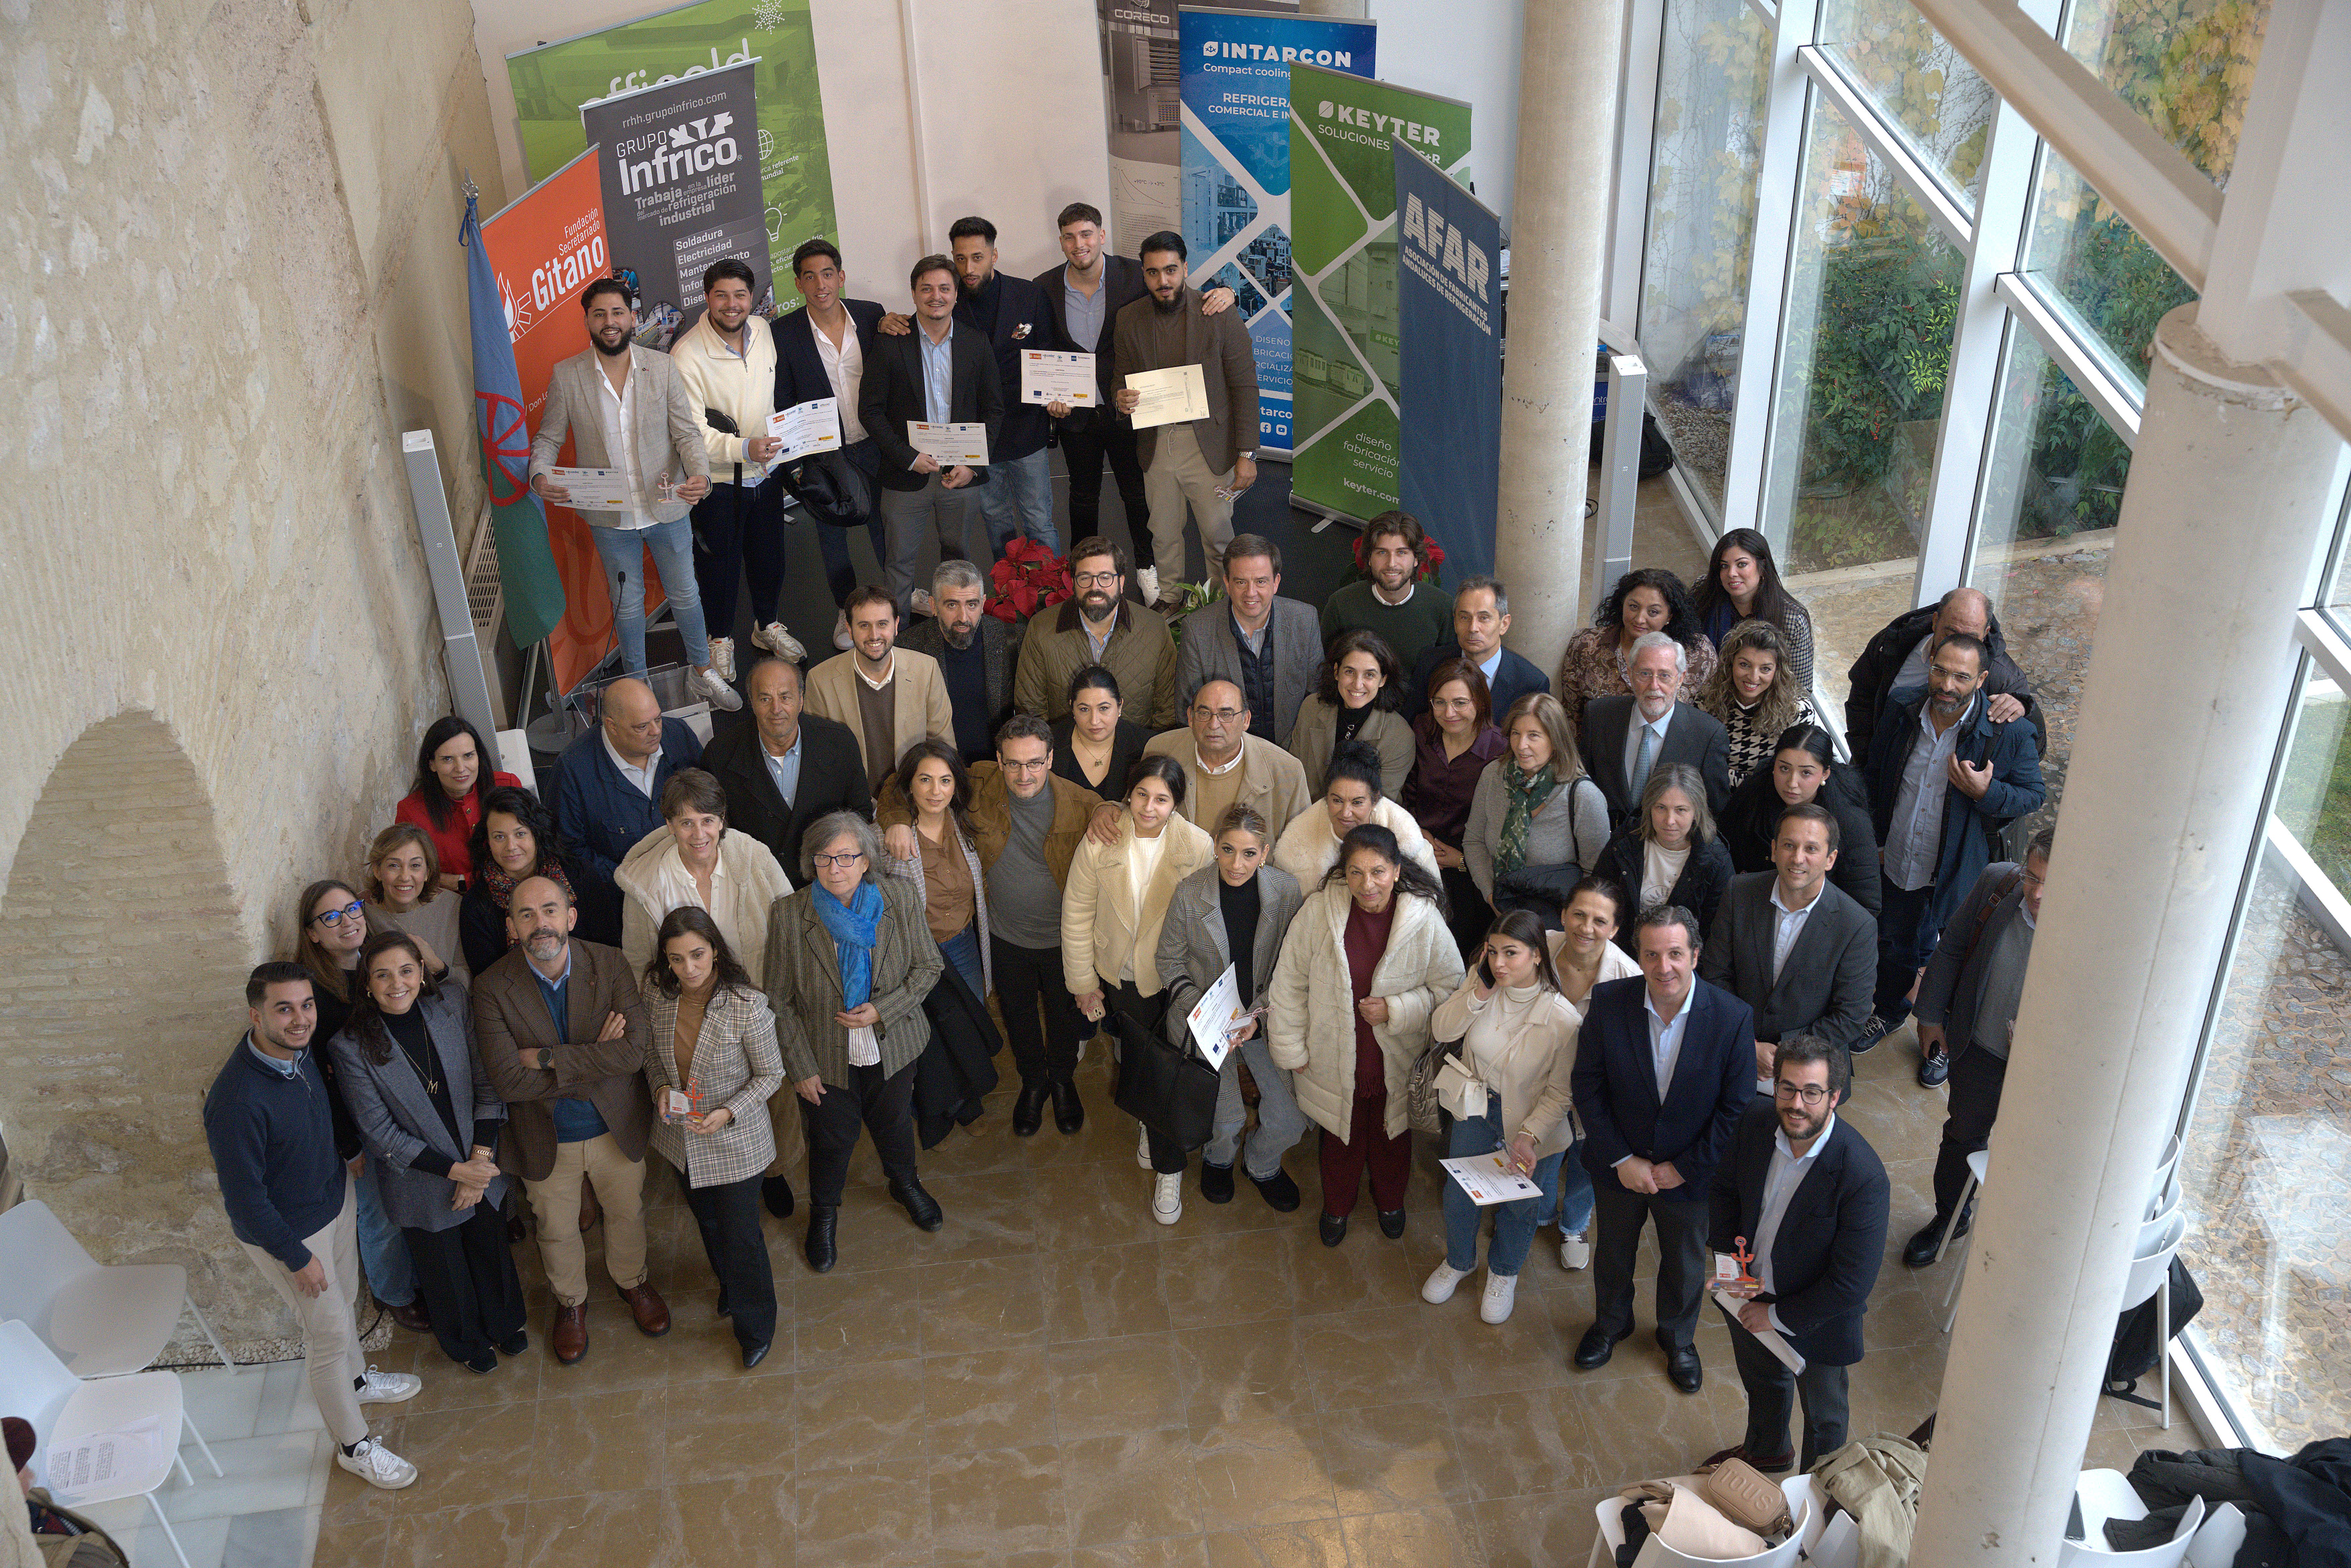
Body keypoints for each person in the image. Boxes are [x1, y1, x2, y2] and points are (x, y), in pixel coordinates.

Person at [204, 963, 420, 1489]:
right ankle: (354, 1446)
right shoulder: (235, 1101)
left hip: (332, 1201)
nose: (300, 1019)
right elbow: (245, 1200)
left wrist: (342, 1159)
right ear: (256, 1015)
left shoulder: (299, 1054)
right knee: (324, 1334)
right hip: (291, 1233)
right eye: (284, 1009)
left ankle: (358, 1380)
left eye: (306, 1005)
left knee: (346, 1303)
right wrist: (297, 1257)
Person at [470, 875, 669, 1365]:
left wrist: (544, 1057)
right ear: (512, 926)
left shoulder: (611, 963)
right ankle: (572, 1303)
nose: (542, 924)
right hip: (546, 1136)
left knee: (626, 1212)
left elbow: (632, 1053)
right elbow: (508, 1083)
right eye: (528, 914)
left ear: (571, 916)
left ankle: (633, 1282)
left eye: (551, 911)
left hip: (614, 1127)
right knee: (556, 1229)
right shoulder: (492, 987)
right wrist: (593, 1058)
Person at [881, 713, 1102, 1136]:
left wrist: (1109, 809)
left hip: (1064, 941)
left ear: (1051, 758)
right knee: (1017, 1016)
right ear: (998, 761)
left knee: (1063, 1018)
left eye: (1035, 762)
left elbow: (1116, 814)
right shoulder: (977, 784)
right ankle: (1034, 1082)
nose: (1025, 774)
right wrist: (893, 818)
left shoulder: (1081, 801)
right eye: (1014, 763)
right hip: (1003, 938)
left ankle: (1062, 1080)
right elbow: (907, 779)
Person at [1570, 904, 1756, 1394]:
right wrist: (1621, 1159)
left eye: (1675, 953)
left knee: (1686, 1262)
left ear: (1695, 955)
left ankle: (1678, 1339)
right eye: (1652, 954)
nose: (1663, 966)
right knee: (1613, 1253)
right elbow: (1587, 1087)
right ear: (1639, 955)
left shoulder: (1733, 1018)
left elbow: (1734, 1109)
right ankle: (1611, 1324)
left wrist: (1683, 1168)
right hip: (1620, 1167)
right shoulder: (1609, 1002)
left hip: (1691, 1175)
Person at [527, 277, 734, 709]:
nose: (610, 322)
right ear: (587, 320)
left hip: (669, 505)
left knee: (686, 595)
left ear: (632, 316)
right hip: (610, 518)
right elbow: (547, 440)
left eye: (618, 313)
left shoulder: (662, 368)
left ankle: (702, 672)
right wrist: (540, 475)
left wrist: (701, 475)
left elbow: (689, 435)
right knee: (627, 606)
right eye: (600, 314)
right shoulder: (567, 377)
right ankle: (638, 691)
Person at [326, 933, 525, 1374]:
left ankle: (506, 1321)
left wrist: (479, 1161)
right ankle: (466, 1341)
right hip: (420, 1177)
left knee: (491, 1249)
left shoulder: (451, 1007)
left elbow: (487, 1085)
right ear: (367, 984)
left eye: (406, 970)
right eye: (382, 975)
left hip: (480, 1157)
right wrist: (461, 1173)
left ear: (422, 973)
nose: (396, 983)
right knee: (445, 1272)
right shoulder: (351, 1046)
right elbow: (380, 1133)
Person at [763, 812, 947, 1271]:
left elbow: (928, 968)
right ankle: (824, 1212)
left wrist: (885, 1008)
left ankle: (905, 1183)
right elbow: (779, 1002)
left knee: (895, 1124)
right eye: (823, 858)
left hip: (894, 1041)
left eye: (847, 857)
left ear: (867, 861)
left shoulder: (898, 898)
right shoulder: (790, 914)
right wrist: (801, 1067)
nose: (835, 868)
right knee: (831, 1138)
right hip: (824, 1055)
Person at [1267, 825, 1465, 1246]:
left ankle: (1390, 1201)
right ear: (1343, 871)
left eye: (1377, 871)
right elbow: (1288, 983)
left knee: (1392, 1136)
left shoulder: (1423, 920)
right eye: (1355, 872)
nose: (1366, 884)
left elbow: (1452, 992)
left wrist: (1396, 1009)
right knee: (1340, 1137)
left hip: (1395, 1058)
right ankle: (1336, 1206)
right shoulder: (1318, 912)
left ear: (1396, 871)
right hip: (1332, 1053)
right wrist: (1291, 1045)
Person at [1035, 203, 1236, 600]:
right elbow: (1039, 345)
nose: (1080, 245)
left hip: (1132, 411)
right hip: (1078, 413)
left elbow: (1181, 294)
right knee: (1081, 496)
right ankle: (1085, 574)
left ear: (1101, 235)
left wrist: (1229, 292)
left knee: (1138, 496)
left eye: (1087, 234)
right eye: (1071, 237)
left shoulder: (1135, 274)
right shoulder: (1043, 287)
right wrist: (1047, 396)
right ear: (1061, 242)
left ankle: (1148, 573)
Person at [1708, 1035, 1889, 1471]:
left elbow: (1851, 1284)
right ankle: (1768, 1450)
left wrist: (1774, 1316)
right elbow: (1726, 1191)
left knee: (1825, 1415)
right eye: (1787, 1088)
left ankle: (1815, 1493)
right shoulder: (1753, 1122)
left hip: (1817, 1315)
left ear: (1835, 1097)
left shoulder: (1862, 1176)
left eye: (1812, 1092)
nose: (1797, 1104)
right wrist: (1735, 1279)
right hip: (1747, 1288)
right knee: (1762, 1381)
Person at [1861, 631, 2046, 1050]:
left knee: (1956, 957)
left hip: (1958, 866)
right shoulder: (1901, 708)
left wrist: (1987, 793)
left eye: (1961, 677)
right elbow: (1875, 774)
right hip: (1899, 858)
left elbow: (2033, 794)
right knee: (1894, 945)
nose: (1947, 685)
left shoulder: (2008, 732)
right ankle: (1888, 1011)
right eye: (1940, 671)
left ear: (1981, 680)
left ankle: (1938, 1041)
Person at [1061, 756, 1215, 1216]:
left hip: (1175, 981)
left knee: (1167, 1072)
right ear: (1128, 794)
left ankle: (1170, 1175)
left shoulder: (1199, 846)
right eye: (1143, 795)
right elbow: (1077, 913)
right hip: (1122, 976)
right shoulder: (1102, 837)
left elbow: (1208, 926)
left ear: (1176, 803)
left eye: (1163, 799)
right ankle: (1150, 1118)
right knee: (1141, 1061)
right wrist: (1083, 983)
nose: (1150, 808)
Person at [1422, 911, 1585, 1325]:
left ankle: (1503, 1272)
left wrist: (1529, 1135)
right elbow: (1441, 1030)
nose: (1499, 963)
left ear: (1535, 956)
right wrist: (1475, 995)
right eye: (1493, 952)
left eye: (1511, 953)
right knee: (1459, 1194)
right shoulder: (1483, 986)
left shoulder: (1564, 1019)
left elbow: (1559, 1093)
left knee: (1519, 1204)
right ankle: (1459, 1261)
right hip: (1476, 1106)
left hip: (1531, 1121)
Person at [640, 907, 785, 1368]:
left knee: (742, 1235)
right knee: (709, 1223)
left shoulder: (747, 1006)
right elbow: (651, 1056)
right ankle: (730, 1286)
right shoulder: (659, 998)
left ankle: (756, 1325)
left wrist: (727, 1112)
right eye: (677, 959)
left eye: (698, 955)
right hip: (684, 1140)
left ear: (716, 950)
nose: (690, 969)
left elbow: (771, 1076)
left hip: (737, 1141)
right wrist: (662, 1088)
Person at [1903, 831, 2050, 1263]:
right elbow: (1950, 949)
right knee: (1962, 1136)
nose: (2037, 893)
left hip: (2041, 1077)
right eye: (2032, 877)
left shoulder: (2090, 937)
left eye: (2050, 883)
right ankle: (1950, 1217)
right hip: (1981, 1052)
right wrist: (1929, 1017)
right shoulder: (1998, 884)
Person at [1155, 804, 1309, 1211]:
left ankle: (1261, 1163)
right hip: (1206, 1021)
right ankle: (1218, 1157)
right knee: (1226, 1119)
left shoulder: (1286, 890)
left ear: (1265, 852)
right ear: (1215, 847)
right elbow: (1168, 960)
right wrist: (1208, 1010)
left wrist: (1254, 1018)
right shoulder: (1190, 892)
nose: (1236, 864)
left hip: (1260, 1017)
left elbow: (1289, 968)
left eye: (1248, 853)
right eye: (1227, 850)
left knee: (1292, 1118)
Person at [293, 881, 426, 1336]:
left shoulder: (376, 966)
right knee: (378, 1214)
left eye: (351, 909)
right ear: (312, 934)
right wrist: (348, 1147)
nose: (347, 921)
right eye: (331, 917)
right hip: (353, 1126)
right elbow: (318, 1083)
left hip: (395, 1112)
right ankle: (395, 1294)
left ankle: (414, 1278)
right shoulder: (311, 994)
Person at [671, 256, 806, 677]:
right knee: (719, 566)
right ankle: (720, 639)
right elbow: (690, 433)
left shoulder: (764, 331)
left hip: (767, 475)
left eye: (740, 295)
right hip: (719, 484)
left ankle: (766, 626)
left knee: (770, 559)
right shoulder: (686, 355)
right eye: (722, 296)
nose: (732, 305)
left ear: (751, 298)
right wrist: (745, 447)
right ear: (707, 298)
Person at [1112, 231, 1259, 609]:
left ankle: (1220, 603)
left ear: (1185, 269)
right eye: (1153, 272)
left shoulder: (1218, 313)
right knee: (1162, 531)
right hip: (1156, 443)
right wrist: (1121, 399)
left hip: (1209, 445)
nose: (1163, 281)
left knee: (1217, 533)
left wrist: (1247, 454)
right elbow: (1120, 380)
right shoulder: (1129, 319)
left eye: (1171, 270)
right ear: (1143, 275)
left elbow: (1244, 386)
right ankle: (1170, 597)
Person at [860, 254, 1005, 615]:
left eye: (944, 288)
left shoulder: (976, 342)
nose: (935, 296)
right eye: (926, 289)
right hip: (904, 473)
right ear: (913, 293)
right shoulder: (890, 343)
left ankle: (956, 627)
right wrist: (907, 456)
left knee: (957, 560)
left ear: (957, 294)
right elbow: (871, 410)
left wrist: (972, 463)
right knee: (898, 565)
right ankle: (897, 644)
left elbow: (993, 410)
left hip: (960, 475)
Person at [1700, 803, 1877, 1097]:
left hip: (1809, 1070)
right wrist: (1746, 1044)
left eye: (1811, 849)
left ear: (1830, 858)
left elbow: (1851, 1016)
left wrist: (1785, 1053)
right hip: (1735, 1051)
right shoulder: (1739, 892)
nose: (1798, 859)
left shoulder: (1857, 926)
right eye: (1789, 846)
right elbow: (1715, 974)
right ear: (1773, 849)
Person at [879, 740, 1003, 1144]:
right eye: (925, 780)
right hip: (918, 955)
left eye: (945, 780)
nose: (935, 790)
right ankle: (934, 1109)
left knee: (964, 1029)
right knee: (925, 1038)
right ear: (909, 786)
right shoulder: (891, 835)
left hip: (963, 944)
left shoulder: (965, 823)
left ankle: (966, 1103)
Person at [771, 237, 889, 650]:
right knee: (830, 534)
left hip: (874, 442)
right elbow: (782, 397)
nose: (820, 284)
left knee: (884, 523)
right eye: (809, 276)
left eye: (827, 274)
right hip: (825, 452)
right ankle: (845, 608)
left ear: (841, 277)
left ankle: (896, 598)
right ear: (799, 284)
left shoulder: (871, 315)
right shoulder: (783, 333)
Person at [696, 655, 873, 881]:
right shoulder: (720, 755)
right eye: (765, 699)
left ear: (801, 699)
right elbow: (716, 832)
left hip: (828, 880)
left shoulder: (840, 743)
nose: (776, 709)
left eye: (785, 697)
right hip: (758, 883)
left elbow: (861, 815)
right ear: (751, 701)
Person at [615, 769, 796, 989]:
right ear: (670, 825)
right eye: (687, 823)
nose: (699, 835)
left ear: (721, 821)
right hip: (681, 1007)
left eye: (707, 821)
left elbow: (794, 930)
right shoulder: (644, 883)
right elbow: (638, 966)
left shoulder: (756, 858)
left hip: (758, 1000)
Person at [1543, 876, 1642, 1270]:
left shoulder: (1628, 977)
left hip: (1596, 1088)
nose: (1586, 927)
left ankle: (1574, 1223)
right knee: (1543, 1154)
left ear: (1615, 928)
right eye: (1579, 915)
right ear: (1564, 914)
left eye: (1599, 921)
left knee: (1588, 1159)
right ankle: (1538, 1210)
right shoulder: (1539, 947)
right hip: (1540, 1078)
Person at [1843, 585, 2043, 764]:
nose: (1957, 645)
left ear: (1985, 632)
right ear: (1935, 622)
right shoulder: (1894, 644)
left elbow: (2033, 749)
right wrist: (1867, 758)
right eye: (1951, 634)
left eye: (1970, 638)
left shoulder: (2005, 677)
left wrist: (2025, 708)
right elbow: (1862, 699)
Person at [1464, 692, 1611, 925]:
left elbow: (1596, 876)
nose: (1521, 746)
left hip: (1556, 922)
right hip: (1498, 911)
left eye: (1534, 736)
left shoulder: (1583, 796)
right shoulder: (1494, 775)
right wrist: (1493, 898)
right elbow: (1474, 842)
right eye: (1516, 734)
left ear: (1556, 739)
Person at [1013, 535, 1181, 731]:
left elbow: (1168, 709)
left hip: (1137, 756)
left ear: (1122, 582)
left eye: (1105, 578)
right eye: (1085, 578)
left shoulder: (1154, 628)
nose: (1095, 587)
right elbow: (1031, 712)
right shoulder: (1041, 628)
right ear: (1073, 583)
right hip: (1064, 756)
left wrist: (1150, 756)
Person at [552, 675, 705, 889]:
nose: (657, 731)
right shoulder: (574, 769)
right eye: (642, 727)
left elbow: (710, 801)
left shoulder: (679, 736)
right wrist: (630, 880)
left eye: (658, 719)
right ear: (612, 727)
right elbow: (570, 850)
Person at [1173, 534, 1323, 746]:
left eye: (1261, 582)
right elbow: (1187, 711)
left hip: (1292, 751)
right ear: (1226, 582)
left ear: (1276, 583)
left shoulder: (1305, 620)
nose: (1251, 593)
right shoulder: (1198, 630)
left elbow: (1316, 699)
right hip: (1229, 755)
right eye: (1241, 582)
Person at [803, 586, 954, 795]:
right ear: (849, 628)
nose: (874, 636)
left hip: (916, 796)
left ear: (896, 625)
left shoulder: (926, 670)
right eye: (864, 626)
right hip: (852, 802)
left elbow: (944, 747)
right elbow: (820, 759)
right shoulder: (819, 681)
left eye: (882, 624)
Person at [1719, 724, 1882, 917]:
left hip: (1819, 923)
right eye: (1784, 769)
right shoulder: (1752, 797)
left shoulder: (1850, 821)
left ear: (1825, 774)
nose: (1792, 783)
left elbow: (1865, 904)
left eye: (1806, 773)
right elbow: (1725, 855)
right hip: (1753, 913)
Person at [1403, 659, 1506, 956]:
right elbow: (1407, 788)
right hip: (1417, 850)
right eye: (1440, 702)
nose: (1449, 713)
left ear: (1480, 703)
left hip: (1469, 866)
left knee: (1455, 944)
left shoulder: (1499, 750)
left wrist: (1461, 861)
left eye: (1460, 703)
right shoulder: (1422, 729)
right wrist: (1417, 831)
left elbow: (1500, 828)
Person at [1555, 568, 1720, 748]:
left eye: (1653, 612)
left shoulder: (1699, 654)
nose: (1640, 619)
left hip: (1674, 756)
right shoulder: (1586, 646)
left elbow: (1709, 717)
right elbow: (1571, 714)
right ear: (1622, 604)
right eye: (1633, 607)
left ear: (1670, 616)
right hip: (1602, 755)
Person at [1583, 630, 1734, 825]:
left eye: (1665, 676)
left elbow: (1715, 811)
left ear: (1680, 678)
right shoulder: (1599, 716)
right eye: (1645, 674)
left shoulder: (1708, 735)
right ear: (1630, 674)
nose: (1654, 686)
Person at [458, 785, 609, 976]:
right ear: (487, 842)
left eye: (520, 834)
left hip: (591, 981)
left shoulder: (579, 875)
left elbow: (609, 945)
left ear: (536, 834)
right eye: (499, 837)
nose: (511, 846)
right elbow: (488, 977)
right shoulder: (476, 905)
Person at [1593, 765, 1736, 953]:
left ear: (1696, 812)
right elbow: (1599, 895)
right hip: (1623, 950)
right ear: (1649, 807)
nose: (1670, 820)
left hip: (1680, 959)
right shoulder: (1626, 839)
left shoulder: (1716, 861)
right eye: (1661, 808)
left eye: (1681, 810)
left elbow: (1717, 933)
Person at [1144, 676, 1313, 835]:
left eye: (1226, 715)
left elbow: (1301, 848)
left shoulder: (1288, 770)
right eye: (1204, 713)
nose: (1214, 724)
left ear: (1246, 720)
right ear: (1190, 717)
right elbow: (1135, 810)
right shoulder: (1160, 750)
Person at [1273, 738, 1441, 887]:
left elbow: (1431, 904)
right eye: (1337, 801)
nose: (1346, 813)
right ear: (1326, 798)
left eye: (1357, 803)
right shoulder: (1295, 845)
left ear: (1375, 800)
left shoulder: (1409, 842)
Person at [900, 559, 1017, 763]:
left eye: (972, 605)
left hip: (998, 769)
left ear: (983, 604)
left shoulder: (1011, 641)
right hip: (940, 771)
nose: (963, 617)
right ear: (933, 606)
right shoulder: (908, 648)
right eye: (952, 605)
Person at [1319, 511, 1455, 675]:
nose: (1392, 564)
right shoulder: (1341, 605)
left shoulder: (1443, 607)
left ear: (1416, 559)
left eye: (1402, 553)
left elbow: (1449, 675)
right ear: (1369, 558)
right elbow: (1330, 669)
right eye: (1382, 552)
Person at [393, 716, 521, 889]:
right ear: (432, 764)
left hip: (519, 889)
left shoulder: (508, 785)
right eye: (448, 759)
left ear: (479, 757)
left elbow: (533, 848)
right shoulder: (411, 811)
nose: (460, 768)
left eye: (468, 756)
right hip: (454, 902)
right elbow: (410, 870)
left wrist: (461, 881)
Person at [1694, 620, 1819, 789]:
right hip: (1711, 792)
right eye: (1744, 665)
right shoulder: (1707, 701)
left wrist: (1724, 776)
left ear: (1778, 671)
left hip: (1766, 798)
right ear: (1731, 664)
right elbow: (1697, 762)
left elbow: (1792, 777)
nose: (1753, 677)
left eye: (1765, 669)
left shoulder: (1798, 713)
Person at [1691, 529, 1816, 698]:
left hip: (1764, 706)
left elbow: (1801, 690)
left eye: (1741, 564)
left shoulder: (1793, 619)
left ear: (1762, 567)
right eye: (1724, 566)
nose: (1731, 574)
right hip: (1705, 697)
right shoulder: (1704, 591)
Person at [1287, 629, 1412, 797]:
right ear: (1336, 672)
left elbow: (1380, 806)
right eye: (1350, 672)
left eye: (1369, 675)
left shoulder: (1400, 735)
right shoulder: (1311, 707)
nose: (1358, 684)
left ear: (1383, 680)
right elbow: (1292, 776)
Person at [1404, 577, 1548, 722]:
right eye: (1465, 618)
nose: (1473, 628)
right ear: (1455, 622)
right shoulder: (1430, 664)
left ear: (1504, 624)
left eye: (1484, 618)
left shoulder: (1531, 683)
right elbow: (1412, 724)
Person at [363, 824, 466, 984]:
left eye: (415, 866)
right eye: (394, 866)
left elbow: (468, 984)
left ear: (427, 873)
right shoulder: (359, 912)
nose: (405, 877)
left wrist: (437, 967)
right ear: (378, 871)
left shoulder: (452, 906)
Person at [1051, 663, 1152, 798]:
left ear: (1119, 706)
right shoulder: (1047, 743)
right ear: (1072, 708)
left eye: (1104, 708)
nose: (1094, 721)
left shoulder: (1148, 746)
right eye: (1084, 709)